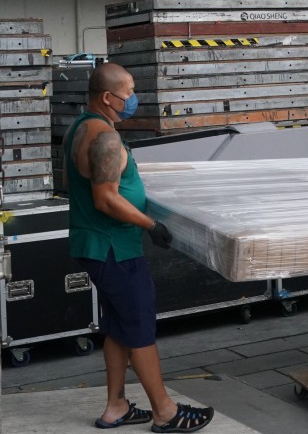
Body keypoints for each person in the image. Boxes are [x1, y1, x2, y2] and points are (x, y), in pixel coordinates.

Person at [67, 63, 214, 432]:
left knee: (119, 326)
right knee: (140, 327)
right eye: (128, 92)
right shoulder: (105, 139)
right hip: (113, 246)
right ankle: (165, 411)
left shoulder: (79, 126)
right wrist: (151, 224)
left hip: (98, 243)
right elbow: (105, 198)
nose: (133, 99)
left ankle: (115, 406)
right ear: (107, 97)